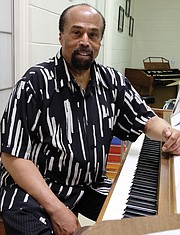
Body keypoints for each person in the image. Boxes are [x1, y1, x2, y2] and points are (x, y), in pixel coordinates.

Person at [0, 3, 180, 235]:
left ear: (99, 41)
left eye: (93, 34)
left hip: (87, 185)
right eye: (77, 32)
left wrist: (168, 132)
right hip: (37, 186)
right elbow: (13, 157)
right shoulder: (34, 83)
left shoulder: (111, 80)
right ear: (61, 36)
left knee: (145, 224)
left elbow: (145, 118)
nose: (85, 40)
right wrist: (57, 209)